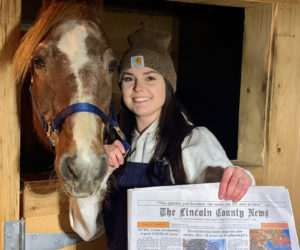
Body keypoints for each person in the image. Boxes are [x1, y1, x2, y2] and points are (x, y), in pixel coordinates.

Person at [69, 24, 255, 250]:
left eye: (150, 78)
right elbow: (86, 230)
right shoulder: (112, 146)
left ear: (168, 85)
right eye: (129, 78)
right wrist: (98, 172)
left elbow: (230, 191)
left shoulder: (193, 141)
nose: (138, 88)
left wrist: (240, 179)